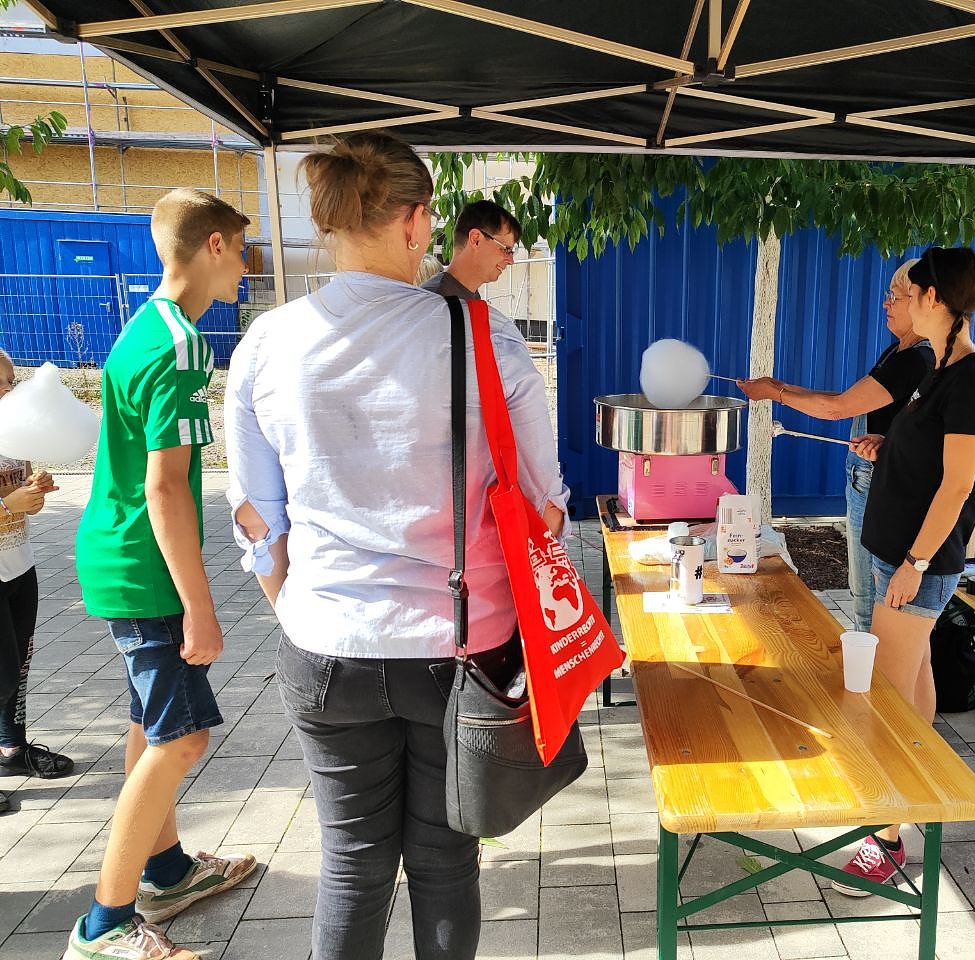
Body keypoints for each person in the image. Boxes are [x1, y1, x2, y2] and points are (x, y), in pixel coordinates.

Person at [224, 132, 567, 960]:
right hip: (460, 649)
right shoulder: (485, 336)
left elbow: (258, 525)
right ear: (416, 222)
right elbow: (546, 510)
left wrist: (307, 615)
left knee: (351, 862)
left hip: (324, 648)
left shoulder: (266, 342)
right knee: (445, 862)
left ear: (330, 221)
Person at [67, 189, 257, 960]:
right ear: (212, 246)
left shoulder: (145, 327)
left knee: (152, 727)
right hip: (145, 568)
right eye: (240, 251)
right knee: (183, 739)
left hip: (118, 555)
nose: (245, 268)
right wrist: (200, 608)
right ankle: (104, 926)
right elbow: (167, 488)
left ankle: (168, 872)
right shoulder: (182, 345)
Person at [830, 246, 975, 896]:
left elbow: (957, 487)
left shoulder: (970, 380)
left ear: (934, 299)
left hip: (915, 564)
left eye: (909, 292)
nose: (900, 301)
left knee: (885, 701)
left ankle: (885, 842)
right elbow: (931, 456)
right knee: (913, 687)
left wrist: (914, 564)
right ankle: (916, 794)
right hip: (895, 552)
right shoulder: (938, 367)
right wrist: (889, 444)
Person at [737, 259, 934, 632]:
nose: (886, 303)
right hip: (868, 480)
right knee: (864, 595)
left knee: (869, 600)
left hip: (879, 486)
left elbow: (837, 409)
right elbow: (847, 400)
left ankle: (872, 661)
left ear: (922, 301)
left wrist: (775, 394)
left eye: (894, 296)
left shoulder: (915, 360)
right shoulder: (898, 353)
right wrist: (780, 387)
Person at [0, 350, 69, 813]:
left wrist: (35, 491)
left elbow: (21, 497)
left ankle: (11, 749)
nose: (9, 389)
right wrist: (9, 505)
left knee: (19, 665)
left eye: (11, 380)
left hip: (19, 565)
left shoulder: (13, 433)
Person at [422, 198, 520, 300]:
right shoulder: (434, 301)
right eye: (506, 250)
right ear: (476, 239)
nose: (511, 261)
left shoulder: (469, 296)